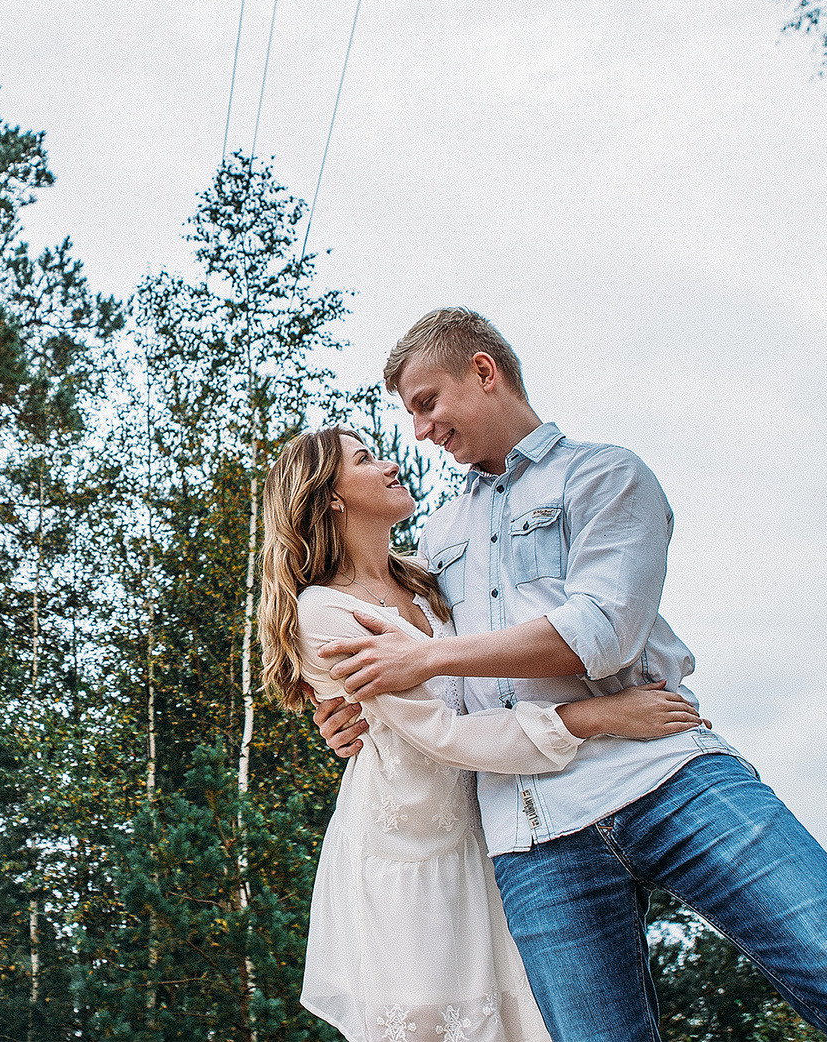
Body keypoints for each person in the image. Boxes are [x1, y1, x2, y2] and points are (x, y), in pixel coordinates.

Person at [308, 307, 827, 1042]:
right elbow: (418, 667)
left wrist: (425, 659)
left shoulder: (606, 473)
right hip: (532, 830)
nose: (420, 430)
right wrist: (358, 713)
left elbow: (601, 633)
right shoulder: (438, 533)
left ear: (483, 371)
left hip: (664, 771)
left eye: (427, 403)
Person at [261, 425, 709, 1042]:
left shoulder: (426, 575)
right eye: (367, 460)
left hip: (492, 825)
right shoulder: (325, 611)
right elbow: (441, 733)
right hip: (411, 853)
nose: (392, 464)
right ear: (330, 496)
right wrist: (599, 717)